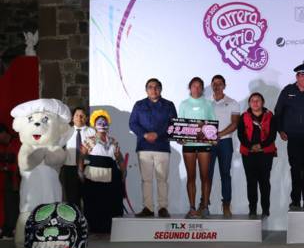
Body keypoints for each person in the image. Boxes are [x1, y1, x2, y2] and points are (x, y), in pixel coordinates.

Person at [274, 62, 304, 209]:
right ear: (297, 76)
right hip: (294, 138)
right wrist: (280, 130)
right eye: (303, 75)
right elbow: (278, 112)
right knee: (295, 169)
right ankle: (295, 200)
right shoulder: (288, 91)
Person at [128, 78, 177, 218]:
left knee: (162, 179)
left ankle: (163, 208)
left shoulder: (168, 105)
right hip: (144, 147)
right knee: (146, 180)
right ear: (146, 90)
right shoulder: (139, 105)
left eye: (156, 87)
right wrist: (145, 134)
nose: (153, 89)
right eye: (150, 87)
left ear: (160, 89)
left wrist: (157, 134)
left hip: (162, 146)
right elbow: (133, 123)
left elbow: (173, 124)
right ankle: (148, 208)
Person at [79, 110, 125, 233]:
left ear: (108, 124)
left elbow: (120, 158)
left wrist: (124, 171)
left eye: (104, 122)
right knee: (94, 203)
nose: (102, 125)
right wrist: (80, 170)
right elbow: (82, 156)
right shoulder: (89, 140)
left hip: (111, 176)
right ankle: (94, 228)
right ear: (94, 125)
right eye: (99, 123)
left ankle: (109, 229)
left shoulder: (113, 141)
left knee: (109, 202)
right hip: (93, 176)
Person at [178, 76, 216, 218]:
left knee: (205, 177)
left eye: (199, 86)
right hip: (188, 145)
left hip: (204, 144)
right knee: (191, 177)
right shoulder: (184, 104)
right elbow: (180, 124)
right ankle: (192, 208)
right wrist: (180, 137)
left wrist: (205, 128)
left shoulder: (208, 104)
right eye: (194, 86)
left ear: (202, 89)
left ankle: (205, 207)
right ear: (190, 87)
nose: (197, 88)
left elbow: (212, 123)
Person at [238, 92, 277, 218]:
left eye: (258, 100)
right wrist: (251, 146)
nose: (255, 103)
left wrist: (260, 146)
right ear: (249, 103)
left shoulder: (270, 116)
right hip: (248, 153)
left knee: (264, 181)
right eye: (252, 100)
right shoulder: (244, 116)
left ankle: (266, 209)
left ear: (263, 102)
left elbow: (272, 135)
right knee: (251, 182)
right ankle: (252, 210)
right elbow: (240, 135)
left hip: (265, 153)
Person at [208, 74, 241, 217]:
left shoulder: (233, 103)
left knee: (225, 174)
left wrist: (219, 134)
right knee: (206, 175)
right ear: (211, 85)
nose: (217, 86)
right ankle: (204, 204)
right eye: (214, 84)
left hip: (225, 142)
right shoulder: (205, 103)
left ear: (224, 86)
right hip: (208, 142)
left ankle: (226, 204)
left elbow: (235, 124)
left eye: (220, 83)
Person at [60, 107, 95, 208]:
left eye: (82, 116)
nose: (79, 118)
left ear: (86, 118)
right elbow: (58, 146)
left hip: (88, 168)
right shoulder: (66, 132)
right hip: (70, 169)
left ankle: (88, 218)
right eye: (76, 115)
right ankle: (75, 218)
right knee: (72, 199)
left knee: (89, 197)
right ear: (72, 118)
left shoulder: (92, 132)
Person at [0, 123, 20, 239]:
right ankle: (8, 229)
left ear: (3, 133)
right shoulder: (5, 146)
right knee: (8, 204)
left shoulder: (16, 143)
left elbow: (17, 164)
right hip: (8, 178)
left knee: (14, 204)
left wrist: (15, 182)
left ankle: (13, 229)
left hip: (17, 178)